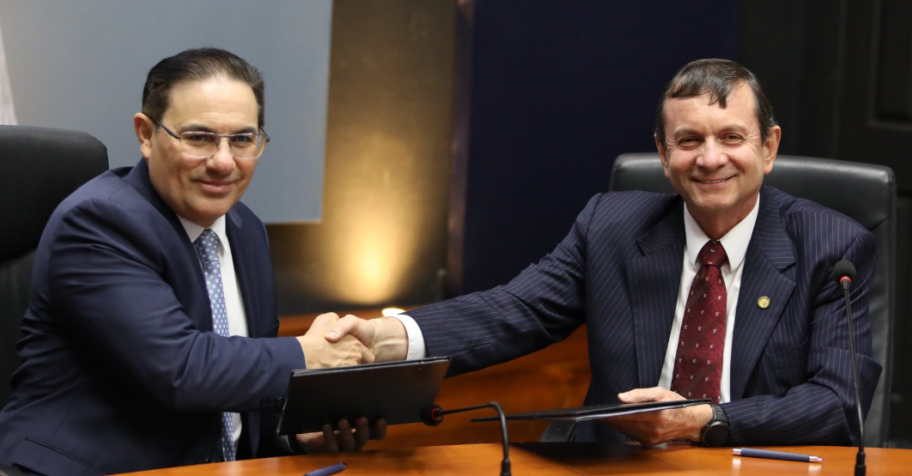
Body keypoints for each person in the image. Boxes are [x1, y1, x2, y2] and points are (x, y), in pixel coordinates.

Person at [325, 58, 882, 447]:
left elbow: (837, 403)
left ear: (769, 146)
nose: (710, 159)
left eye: (731, 137)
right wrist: (388, 338)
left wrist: (702, 419)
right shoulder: (611, 227)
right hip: (615, 463)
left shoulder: (832, 248)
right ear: (663, 154)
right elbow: (513, 310)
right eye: (689, 140)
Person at [0, 48, 381, 476]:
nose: (224, 162)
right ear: (146, 135)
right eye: (199, 137)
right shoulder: (98, 222)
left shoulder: (245, 230)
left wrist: (292, 433)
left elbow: (237, 390)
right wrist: (306, 355)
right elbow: (181, 370)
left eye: (242, 139)